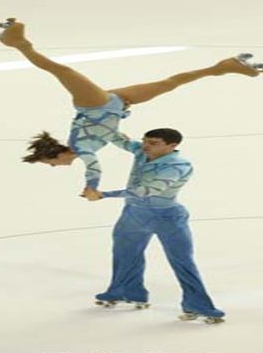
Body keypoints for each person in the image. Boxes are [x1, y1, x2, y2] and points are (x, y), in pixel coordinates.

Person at [0, 18, 263, 190]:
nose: (57, 168)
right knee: (171, 82)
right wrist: (143, 149)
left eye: (51, 165)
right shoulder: (88, 144)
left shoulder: (83, 149)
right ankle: (225, 66)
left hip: (94, 104)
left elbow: (94, 167)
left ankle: (18, 43)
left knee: (61, 70)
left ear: (56, 156)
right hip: (117, 103)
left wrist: (91, 187)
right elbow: (121, 141)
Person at [82, 128, 225, 323]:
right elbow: (119, 140)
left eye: (153, 143)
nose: (145, 146)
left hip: (166, 217)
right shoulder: (143, 151)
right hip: (133, 214)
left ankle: (198, 305)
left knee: (182, 261)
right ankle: (127, 291)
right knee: (125, 254)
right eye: (144, 141)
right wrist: (105, 118)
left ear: (172, 146)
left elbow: (146, 190)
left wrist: (103, 194)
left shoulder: (178, 166)